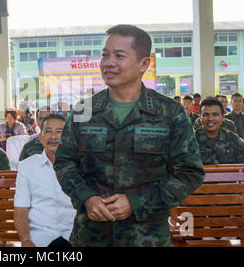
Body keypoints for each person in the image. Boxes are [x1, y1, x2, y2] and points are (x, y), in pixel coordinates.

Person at [54, 24, 204, 247]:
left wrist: (136, 203)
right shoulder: (83, 111)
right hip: (92, 237)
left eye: (119, 56)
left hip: (147, 238)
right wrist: (86, 197)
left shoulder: (169, 113)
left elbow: (189, 173)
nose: (108, 62)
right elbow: (65, 162)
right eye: (105, 55)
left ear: (144, 64)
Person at [14, 114, 76, 247]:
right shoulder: (27, 166)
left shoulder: (81, 165)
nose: (54, 136)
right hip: (40, 239)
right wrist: (25, 240)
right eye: (48, 131)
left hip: (75, 237)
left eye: (59, 132)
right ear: (40, 138)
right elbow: (21, 210)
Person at [195, 97, 244, 164]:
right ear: (200, 117)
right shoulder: (190, 140)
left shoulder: (233, 140)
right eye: (205, 115)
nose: (210, 118)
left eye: (215, 115)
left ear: (223, 116)